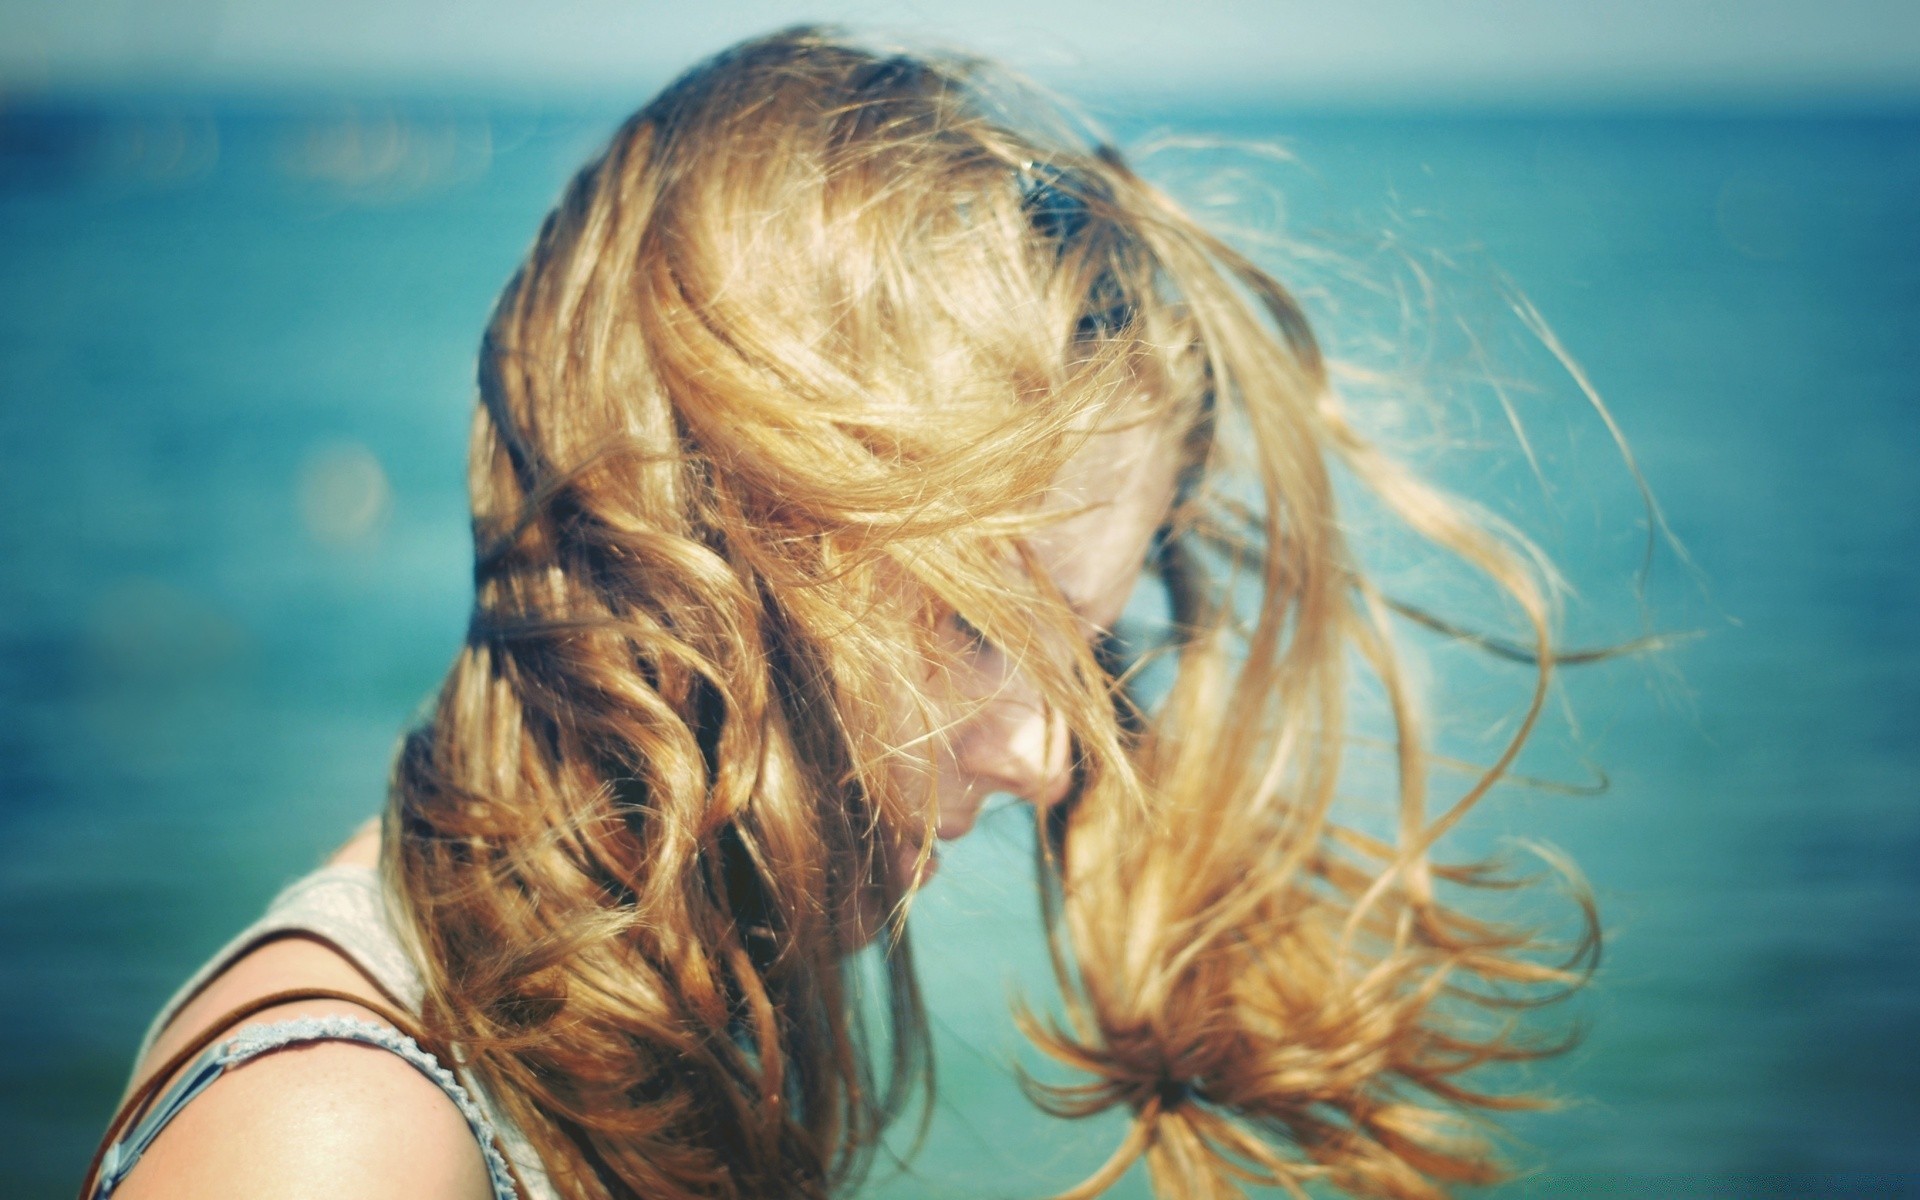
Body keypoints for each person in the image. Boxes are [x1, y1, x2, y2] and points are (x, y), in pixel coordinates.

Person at [84, 25, 1600, 1200]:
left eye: (1083, 648)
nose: (1044, 756)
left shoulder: (643, 1013)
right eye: (970, 617)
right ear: (697, 531)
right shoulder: (336, 1140)